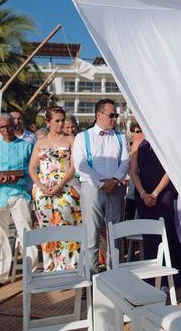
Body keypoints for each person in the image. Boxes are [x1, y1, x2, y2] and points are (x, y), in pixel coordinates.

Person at [72, 99, 129, 276]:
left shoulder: (120, 137)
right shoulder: (82, 137)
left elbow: (125, 161)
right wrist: (101, 183)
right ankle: (90, 278)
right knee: (91, 236)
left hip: (116, 188)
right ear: (99, 115)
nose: (115, 119)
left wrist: (115, 180)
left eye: (116, 116)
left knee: (116, 235)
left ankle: (115, 277)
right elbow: (80, 164)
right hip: (91, 189)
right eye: (111, 115)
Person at [0, 114, 38, 291]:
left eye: (8, 126)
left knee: (26, 232)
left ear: (14, 126)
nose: (6, 130)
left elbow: (32, 171)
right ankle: (0, 275)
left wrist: (18, 179)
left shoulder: (27, 146)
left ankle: (32, 272)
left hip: (19, 194)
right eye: (1, 128)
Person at [28, 106, 82, 272]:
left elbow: (74, 166)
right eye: (57, 120)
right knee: (47, 229)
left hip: (66, 189)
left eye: (62, 120)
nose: (60, 124)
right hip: (43, 192)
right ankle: (51, 267)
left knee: (69, 227)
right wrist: (41, 186)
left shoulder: (70, 140)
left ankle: (72, 267)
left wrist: (60, 184)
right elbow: (31, 168)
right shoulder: (40, 142)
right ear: (48, 122)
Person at [129, 136, 181, 285]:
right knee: (150, 236)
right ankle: (152, 278)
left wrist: (155, 193)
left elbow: (170, 170)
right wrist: (143, 194)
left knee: (166, 232)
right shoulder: (138, 142)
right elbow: (133, 171)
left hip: (163, 193)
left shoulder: (165, 138)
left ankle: (170, 279)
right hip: (142, 193)